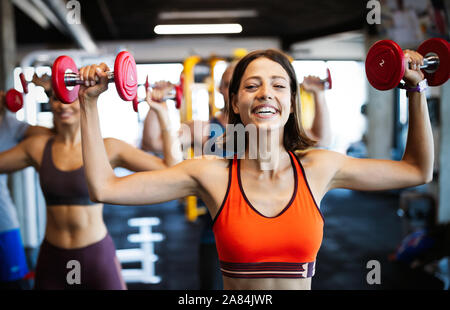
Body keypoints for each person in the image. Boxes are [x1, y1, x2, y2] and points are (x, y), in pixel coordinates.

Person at [78, 48, 433, 290]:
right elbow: (105, 188)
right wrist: (88, 103)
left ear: (292, 103)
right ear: (235, 102)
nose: (265, 93)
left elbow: (417, 170)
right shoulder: (211, 174)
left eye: (279, 85)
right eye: (252, 86)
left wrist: (416, 90)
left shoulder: (320, 167)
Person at [0, 82, 181, 289]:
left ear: (84, 100)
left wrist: (162, 113)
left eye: (71, 99)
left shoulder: (109, 147)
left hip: (95, 256)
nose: (63, 106)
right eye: (57, 99)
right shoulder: (37, 147)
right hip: (53, 257)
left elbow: (171, 169)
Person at [0, 84, 53, 289]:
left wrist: (51, 92)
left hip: (3, 224)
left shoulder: (9, 124)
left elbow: (56, 133)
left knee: (14, 285)